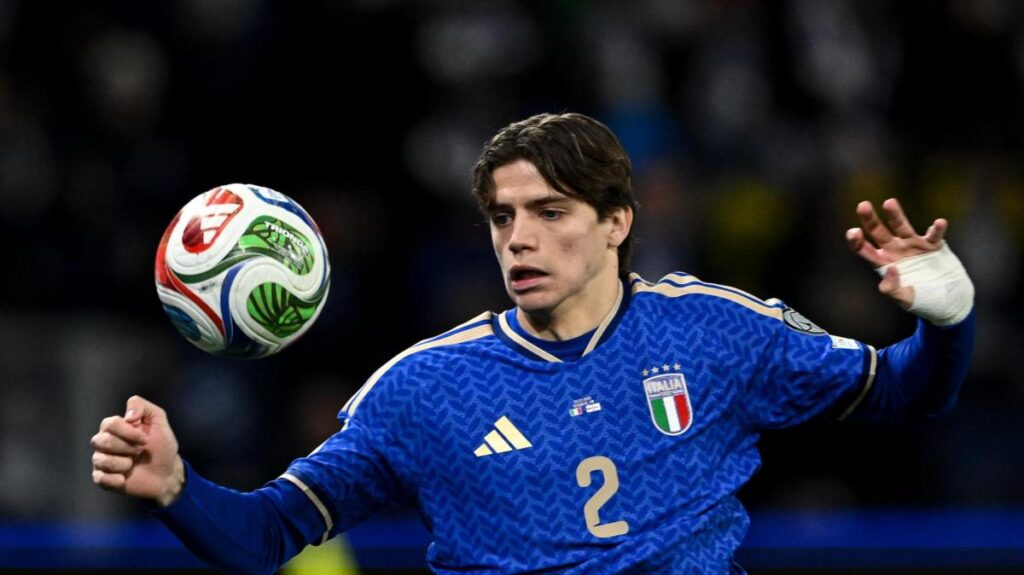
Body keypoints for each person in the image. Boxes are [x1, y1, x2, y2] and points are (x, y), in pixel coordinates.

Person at [91, 113, 975, 574]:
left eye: (550, 212)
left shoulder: (714, 330)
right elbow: (269, 533)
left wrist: (946, 317)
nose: (519, 239)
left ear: (616, 222)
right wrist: (177, 488)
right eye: (502, 217)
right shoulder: (423, 388)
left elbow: (904, 392)